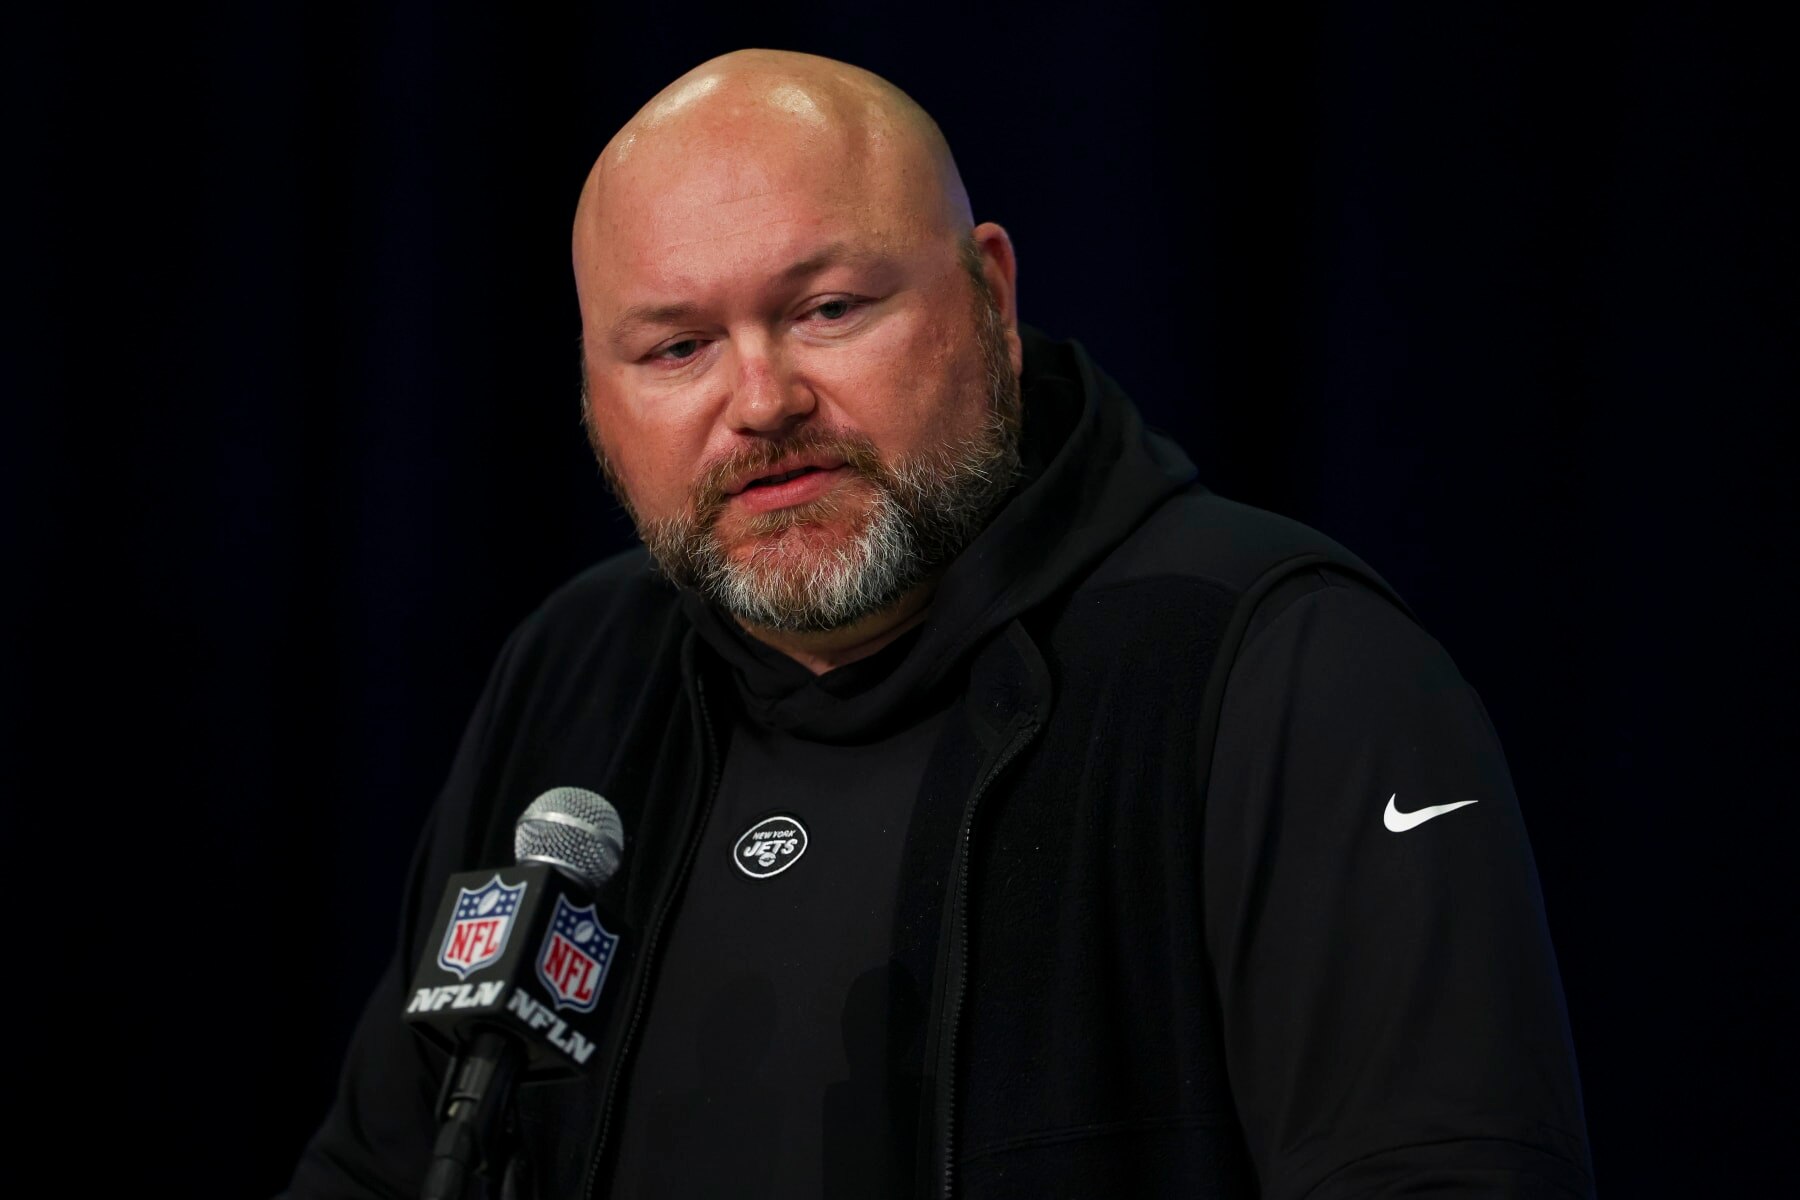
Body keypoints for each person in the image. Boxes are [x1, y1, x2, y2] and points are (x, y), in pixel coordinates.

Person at [286, 48, 1594, 1199]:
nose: (762, 400)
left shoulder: (1288, 670)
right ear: (592, 388)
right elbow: (383, 1168)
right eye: (675, 348)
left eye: (829, 310)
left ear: (992, 298)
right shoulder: (575, 675)